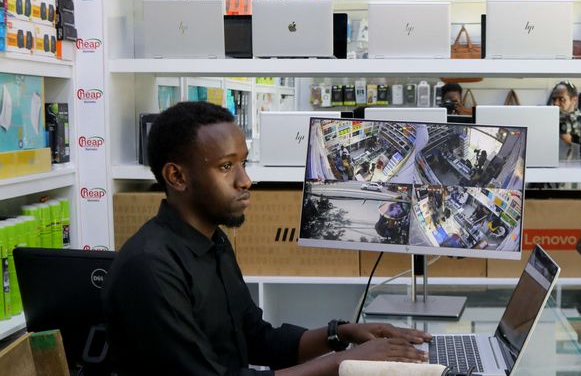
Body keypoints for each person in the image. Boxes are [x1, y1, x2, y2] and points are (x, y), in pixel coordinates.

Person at [102, 101, 430, 375]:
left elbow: (258, 341)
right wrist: (343, 362)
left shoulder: (213, 243)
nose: (245, 180)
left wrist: (342, 334)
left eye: (243, 163)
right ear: (177, 176)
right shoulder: (151, 269)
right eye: (226, 166)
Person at [549, 81, 581, 155]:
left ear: (574, 100)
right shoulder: (549, 120)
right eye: (554, 99)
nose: (556, 103)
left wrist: (571, 141)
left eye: (562, 99)